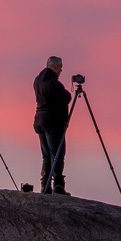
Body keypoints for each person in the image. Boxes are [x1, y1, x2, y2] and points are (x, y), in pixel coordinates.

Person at [33, 55, 72, 195]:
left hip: (39, 120)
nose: (61, 71)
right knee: (57, 154)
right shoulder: (53, 83)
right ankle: (58, 186)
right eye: (60, 67)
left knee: (46, 155)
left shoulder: (37, 80)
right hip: (52, 122)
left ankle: (45, 185)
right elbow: (66, 97)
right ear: (55, 66)